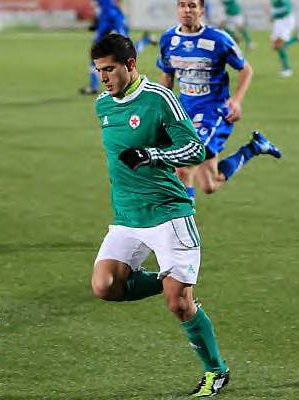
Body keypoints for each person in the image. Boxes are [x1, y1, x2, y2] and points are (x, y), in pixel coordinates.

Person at [90, 33, 231, 398]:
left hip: (168, 213)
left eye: (109, 70)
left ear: (131, 65)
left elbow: (196, 148)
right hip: (127, 218)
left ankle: (216, 371)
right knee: (105, 286)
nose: (103, 78)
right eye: (98, 71)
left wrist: (153, 155)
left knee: (179, 304)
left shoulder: (159, 99)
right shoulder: (103, 105)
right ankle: (170, 280)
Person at [157, 0, 281, 200]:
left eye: (192, 5)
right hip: (184, 113)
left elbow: (246, 70)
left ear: (202, 11)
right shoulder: (169, 39)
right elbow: (167, 75)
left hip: (213, 113)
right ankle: (254, 147)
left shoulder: (218, 39)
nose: (186, 10)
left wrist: (236, 100)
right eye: (182, 5)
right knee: (210, 184)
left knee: (184, 168)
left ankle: (182, 229)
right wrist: (160, 108)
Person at [80, 0, 155, 95]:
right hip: (107, 33)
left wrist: (117, 34)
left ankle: (145, 40)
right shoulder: (102, 5)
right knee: (96, 58)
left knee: (127, 52)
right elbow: (105, 17)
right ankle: (94, 86)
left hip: (112, 32)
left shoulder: (105, 5)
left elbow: (112, 16)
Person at [269, 0, 299, 78]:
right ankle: (298, 38)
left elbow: (288, 9)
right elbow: (274, 9)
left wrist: (275, 15)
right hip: (278, 22)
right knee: (275, 46)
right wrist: (273, 16)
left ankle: (287, 69)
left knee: (279, 45)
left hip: (286, 21)